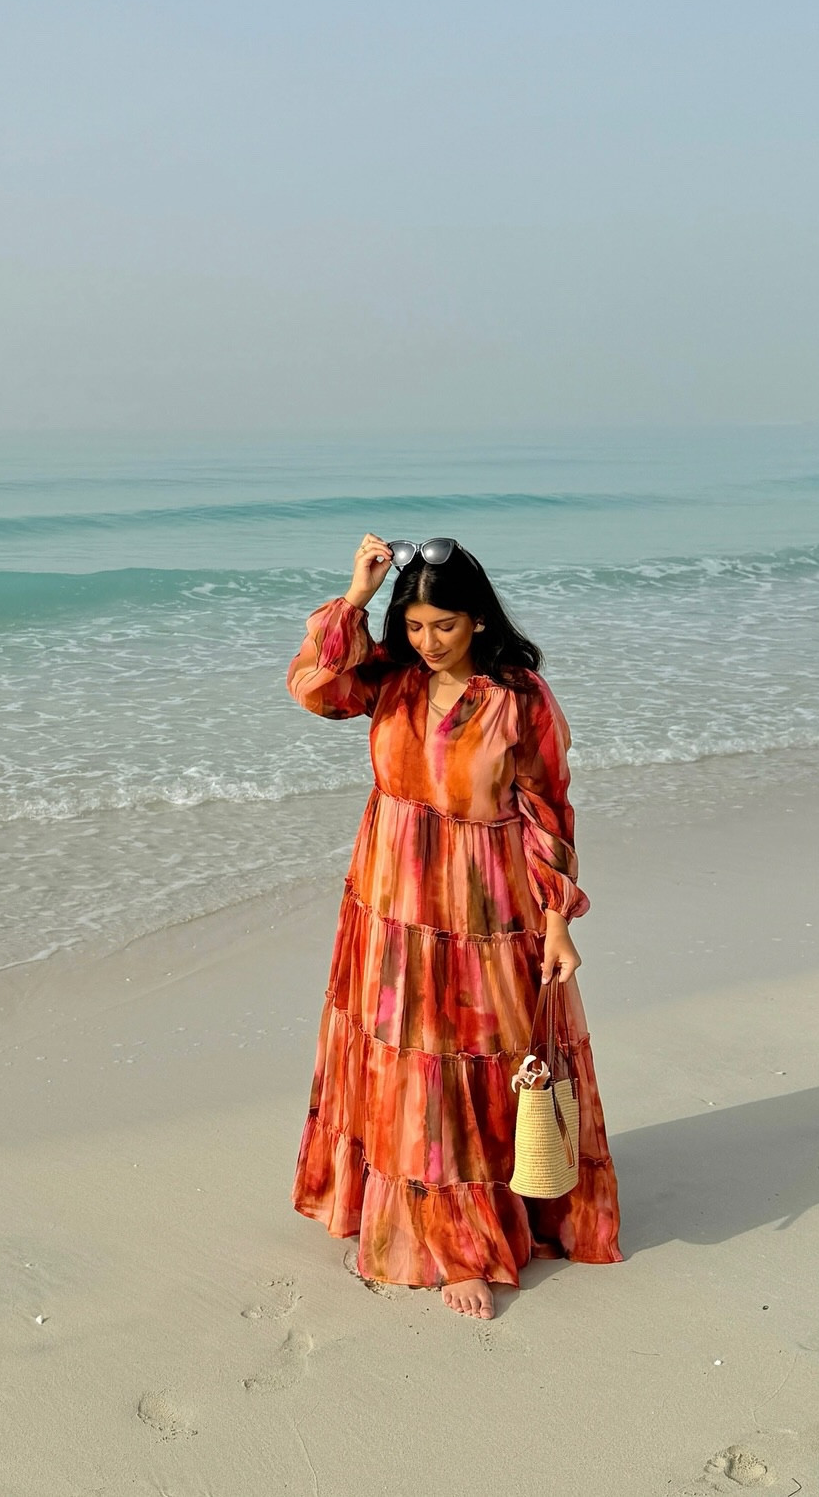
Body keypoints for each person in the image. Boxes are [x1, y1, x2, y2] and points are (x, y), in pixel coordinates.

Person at [287, 534, 623, 1320]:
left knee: (480, 1058)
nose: (428, 642)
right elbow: (312, 685)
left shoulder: (520, 698)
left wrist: (558, 923)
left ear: (477, 619)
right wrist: (358, 595)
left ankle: (472, 1237)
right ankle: (429, 1226)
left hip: (485, 909)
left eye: (444, 625)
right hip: (393, 899)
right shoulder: (392, 682)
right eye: (415, 626)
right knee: (408, 1063)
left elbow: (549, 814)